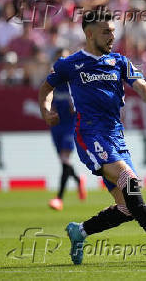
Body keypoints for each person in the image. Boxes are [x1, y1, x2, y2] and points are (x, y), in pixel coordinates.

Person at [38, 10, 146, 265]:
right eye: (106, 31)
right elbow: (46, 88)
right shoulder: (70, 64)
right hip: (89, 134)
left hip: (116, 136)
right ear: (89, 33)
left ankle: (79, 231)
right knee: (129, 179)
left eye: (113, 31)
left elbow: (141, 85)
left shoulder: (119, 61)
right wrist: (46, 109)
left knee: (127, 207)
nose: (112, 36)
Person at [48, 48, 86, 211]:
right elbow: (47, 97)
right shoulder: (53, 80)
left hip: (70, 126)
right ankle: (78, 179)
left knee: (64, 160)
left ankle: (59, 198)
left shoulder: (74, 81)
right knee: (63, 161)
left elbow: (82, 104)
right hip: (56, 126)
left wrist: (75, 105)